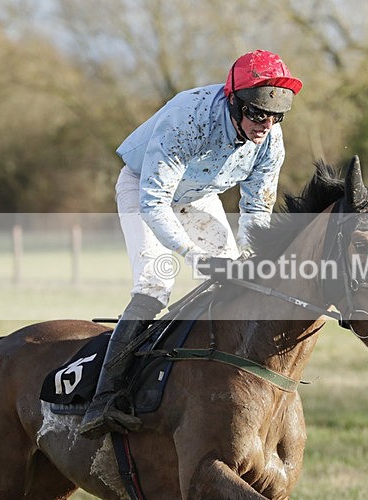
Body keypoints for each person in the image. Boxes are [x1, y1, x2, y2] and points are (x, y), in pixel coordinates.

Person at [78, 50, 302, 439]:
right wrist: (194, 257)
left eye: (275, 115)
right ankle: (105, 399)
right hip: (145, 190)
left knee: (237, 279)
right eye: (257, 113)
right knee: (154, 285)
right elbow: (154, 201)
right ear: (234, 101)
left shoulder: (270, 141)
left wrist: (251, 257)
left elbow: (255, 207)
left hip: (199, 197)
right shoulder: (189, 119)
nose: (265, 124)